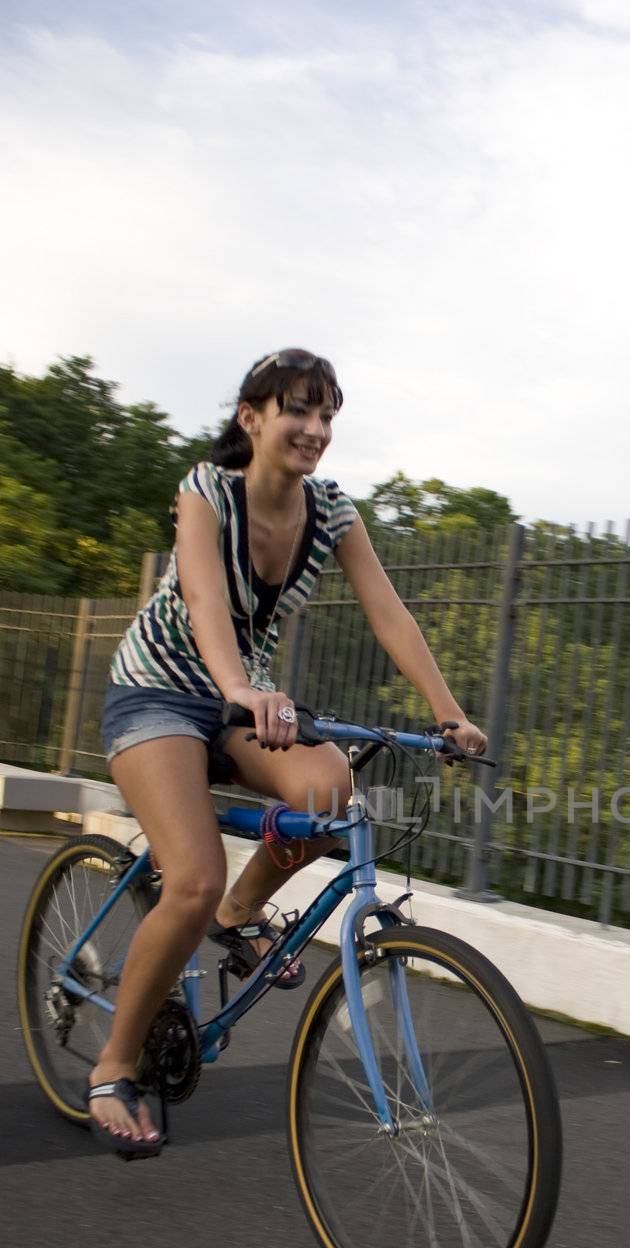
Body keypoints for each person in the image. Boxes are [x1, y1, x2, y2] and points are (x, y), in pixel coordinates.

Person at [90, 348, 486, 1156]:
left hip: (244, 701)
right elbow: (203, 599)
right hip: (159, 692)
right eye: (298, 410)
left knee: (328, 782)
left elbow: (389, 614)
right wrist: (240, 687)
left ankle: (240, 913)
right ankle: (113, 1064)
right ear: (253, 418)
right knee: (191, 875)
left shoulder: (333, 513)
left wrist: (448, 714)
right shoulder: (208, 491)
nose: (314, 429)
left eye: (327, 414)